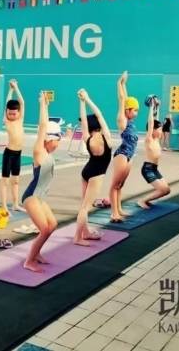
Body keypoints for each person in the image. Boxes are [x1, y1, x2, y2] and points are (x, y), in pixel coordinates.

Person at [21, 92, 61, 272]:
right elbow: (43, 126)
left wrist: (46, 105)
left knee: (52, 225)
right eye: (57, 141)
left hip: (40, 197)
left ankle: (36, 253)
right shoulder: (39, 151)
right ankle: (29, 261)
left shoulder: (48, 153)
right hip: (31, 197)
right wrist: (43, 104)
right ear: (49, 139)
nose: (58, 144)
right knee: (45, 229)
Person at [75, 89, 112, 246]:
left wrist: (82, 101)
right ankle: (77, 237)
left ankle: (86, 232)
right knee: (85, 208)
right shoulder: (107, 137)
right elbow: (99, 115)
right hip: (97, 175)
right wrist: (88, 99)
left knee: (83, 205)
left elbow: (84, 119)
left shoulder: (87, 138)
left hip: (86, 171)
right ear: (99, 126)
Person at [108, 72, 139, 223]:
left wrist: (124, 84)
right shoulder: (122, 120)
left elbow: (125, 99)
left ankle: (119, 209)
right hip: (122, 154)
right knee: (115, 185)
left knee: (120, 185)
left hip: (130, 155)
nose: (136, 113)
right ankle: (114, 213)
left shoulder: (130, 120)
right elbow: (122, 100)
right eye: (135, 110)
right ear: (128, 111)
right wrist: (118, 83)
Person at [138, 99, 171, 208]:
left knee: (167, 190)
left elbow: (156, 119)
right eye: (159, 130)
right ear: (152, 130)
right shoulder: (149, 139)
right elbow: (151, 122)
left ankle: (146, 200)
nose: (161, 132)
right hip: (147, 169)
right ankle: (142, 201)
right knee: (163, 189)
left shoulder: (156, 139)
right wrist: (151, 107)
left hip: (154, 169)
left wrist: (158, 107)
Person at [0, 79, 26, 214]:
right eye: (9, 113)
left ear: (19, 113)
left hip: (18, 154)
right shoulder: (7, 121)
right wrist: (10, 90)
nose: (11, 115)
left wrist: (16, 87)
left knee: (15, 181)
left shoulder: (20, 119)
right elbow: (7, 104)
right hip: (9, 154)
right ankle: (4, 206)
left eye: (14, 113)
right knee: (5, 181)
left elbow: (22, 102)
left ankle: (15, 204)